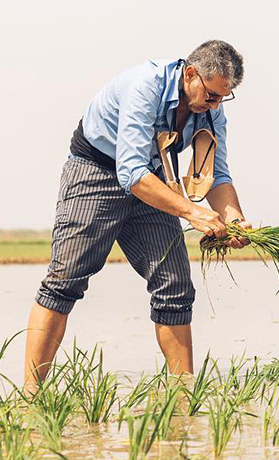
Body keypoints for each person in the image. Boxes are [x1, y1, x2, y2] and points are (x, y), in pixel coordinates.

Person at [23, 40, 252, 391]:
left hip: (153, 177)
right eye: (211, 95)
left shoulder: (212, 111)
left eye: (224, 97)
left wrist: (233, 218)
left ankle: (182, 394)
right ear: (190, 74)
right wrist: (193, 214)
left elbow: (218, 175)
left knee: (175, 287)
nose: (216, 105)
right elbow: (130, 172)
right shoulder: (144, 86)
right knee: (65, 281)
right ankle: (31, 394)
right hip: (96, 170)